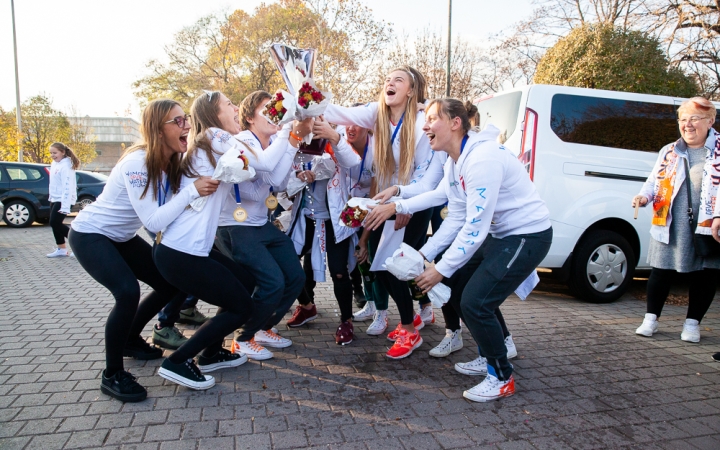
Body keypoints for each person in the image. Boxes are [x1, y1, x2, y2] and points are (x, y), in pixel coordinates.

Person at [371, 98, 552, 402]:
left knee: (475, 301)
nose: (425, 125)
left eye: (432, 118)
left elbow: (474, 227)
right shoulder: (456, 161)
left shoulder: (482, 159)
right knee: (460, 288)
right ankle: (492, 350)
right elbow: (448, 209)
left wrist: (439, 270)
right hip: (502, 236)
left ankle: (501, 376)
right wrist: (423, 253)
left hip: (527, 236)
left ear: (455, 123)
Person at [153, 91, 313, 390]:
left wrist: (289, 139)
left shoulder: (219, 143)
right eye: (228, 104)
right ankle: (177, 361)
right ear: (214, 112)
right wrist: (289, 131)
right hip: (180, 250)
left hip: (193, 248)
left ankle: (211, 354)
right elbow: (264, 165)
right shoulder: (215, 136)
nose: (235, 109)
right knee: (240, 304)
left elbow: (269, 177)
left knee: (242, 288)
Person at [68, 99, 220, 402]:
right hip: (90, 235)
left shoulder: (173, 160)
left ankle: (130, 340)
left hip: (122, 237)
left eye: (186, 119)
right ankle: (112, 374)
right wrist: (192, 191)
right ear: (157, 129)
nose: (186, 126)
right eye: (177, 122)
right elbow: (153, 219)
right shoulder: (137, 163)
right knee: (126, 292)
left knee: (170, 282)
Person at [325, 66, 444, 359]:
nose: (389, 83)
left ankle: (413, 327)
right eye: (387, 79)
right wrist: (304, 93)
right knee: (383, 267)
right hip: (385, 204)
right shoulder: (376, 113)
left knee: (396, 265)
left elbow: (426, 179)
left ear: (411, 90)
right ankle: (410, 321)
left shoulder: (420, 122)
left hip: (415, 205)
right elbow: (337, 112)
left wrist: (403, 203)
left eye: (398, 80)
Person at [214, 90, 305, 360]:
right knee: (272, 282)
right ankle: (243, 337)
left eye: (278, 110)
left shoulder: (271, 142)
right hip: (235, 226)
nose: (275, 115)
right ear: (250, 117)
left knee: (295, 277)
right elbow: (255, 192)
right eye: (268, 109)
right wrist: (290, 136)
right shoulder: (242, 141)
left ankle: (264, 326)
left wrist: (292, 141)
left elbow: (277, 183)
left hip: (258, 224)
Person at [633, 97, 720, 343]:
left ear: (710, 121)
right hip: (670, 221)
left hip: (708, 225)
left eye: (694, 118)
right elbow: (654, 181)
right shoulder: (669, 150)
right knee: (660, 272)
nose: (687, 124)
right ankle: (650, 319)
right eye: (683, 119)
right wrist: (643, 196)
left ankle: (692, 325)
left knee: (704, 275)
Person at [285, 118, 362, 345]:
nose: (313, 124)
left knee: (339, 272)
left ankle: (346, 320)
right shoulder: (294, 140)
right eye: (308, 118)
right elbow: (280, 177)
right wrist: (297, 176)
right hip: (305, 218)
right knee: (288, 264)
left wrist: (332, 136)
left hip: (333, 220)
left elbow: (352, 164)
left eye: (318, 118)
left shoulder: (336, 138)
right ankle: (307, 306)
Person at [46, 142, 79, 258]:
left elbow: (67, 186)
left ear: (63, 152)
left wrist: (65, 205)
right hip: (55, 198)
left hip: (64, 199)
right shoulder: (55, 164)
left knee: (54, 222)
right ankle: (61, 249)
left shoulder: (66, 166)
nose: (52, 155)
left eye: (55, 153)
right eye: (51, 153)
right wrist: (51, 196)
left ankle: (79, 246)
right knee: (55, 224)